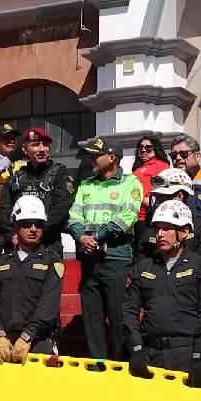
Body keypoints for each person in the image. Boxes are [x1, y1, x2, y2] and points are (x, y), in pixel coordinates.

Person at [122, 200, 201, 386]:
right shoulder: (142, 267)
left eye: (166, 229)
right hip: (150, 355)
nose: (159, 234)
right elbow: (128, 311)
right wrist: (136, 348)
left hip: (186, 355)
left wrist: (199, 356)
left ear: (184, 232)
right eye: (157, 228)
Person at [67, 136, 142, 360]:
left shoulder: (130, 183)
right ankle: (97, 364)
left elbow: (127, 215)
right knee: (92, 318)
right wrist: (81, 237)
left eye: (96, 155)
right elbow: (74, 216)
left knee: (119, 318)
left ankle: (120, 364)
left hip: (116, 260)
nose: (91, 159)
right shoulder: (86, 184)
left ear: (112, 158)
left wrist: (98, 236)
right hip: (90, 261)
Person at [0, 195, 63, 364]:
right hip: (3, 343)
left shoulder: (51, 261)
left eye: (39, 224)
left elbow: (49, 305)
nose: (33, 229)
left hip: (38, 342)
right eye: (27, 223)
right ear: (16, 226)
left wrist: (27, 336)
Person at [0, 127, 75, 257]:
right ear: (24, 149)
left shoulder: (60, 174)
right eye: (35, 145)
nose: (41, 149)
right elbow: (5, 211)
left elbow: (60, 209)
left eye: (45, 145)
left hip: (48, 244)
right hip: (17, 244)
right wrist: (12, 235)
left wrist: (36, 233)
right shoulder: (16, 177)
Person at [136, 168, 201, 265]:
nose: (157, 202)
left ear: (180, 196)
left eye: (162, 197)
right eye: (157, 197)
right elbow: (141, 265)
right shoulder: (151, 229)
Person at [131, 135, 170, 231]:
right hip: (135, 216)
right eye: (141, 147)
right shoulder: (137, 168)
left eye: (148, 148)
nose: (143, 150)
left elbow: (166, 189)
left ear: (155, 149)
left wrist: (149, 200)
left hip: (150, 216)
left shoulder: (161, 165)